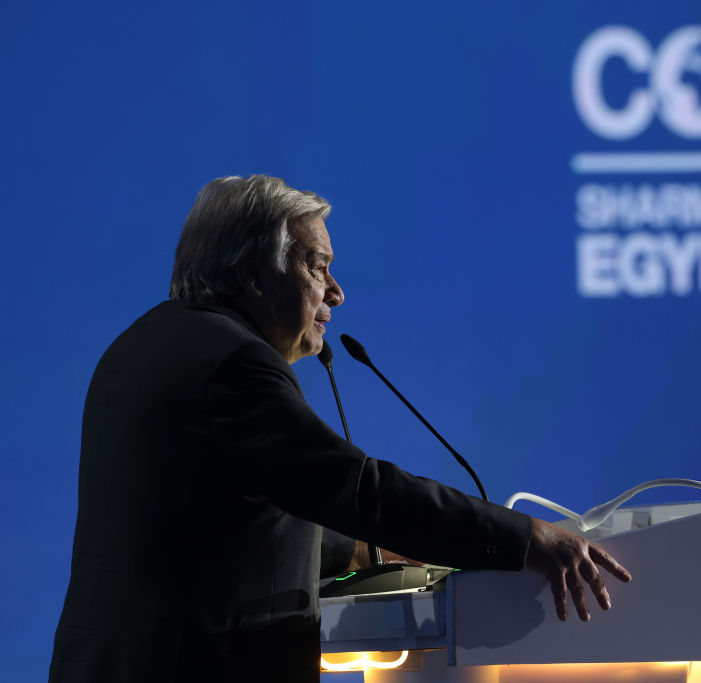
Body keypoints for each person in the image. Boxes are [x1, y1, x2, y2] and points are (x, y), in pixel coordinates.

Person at [49, 175, 630, 683]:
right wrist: (526, 540)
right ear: (253, 273)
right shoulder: (236, 365)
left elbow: (210, 519)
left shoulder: (141, 345)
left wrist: (356, 550)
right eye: (318, 266)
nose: (336, 292)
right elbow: (358, 489)